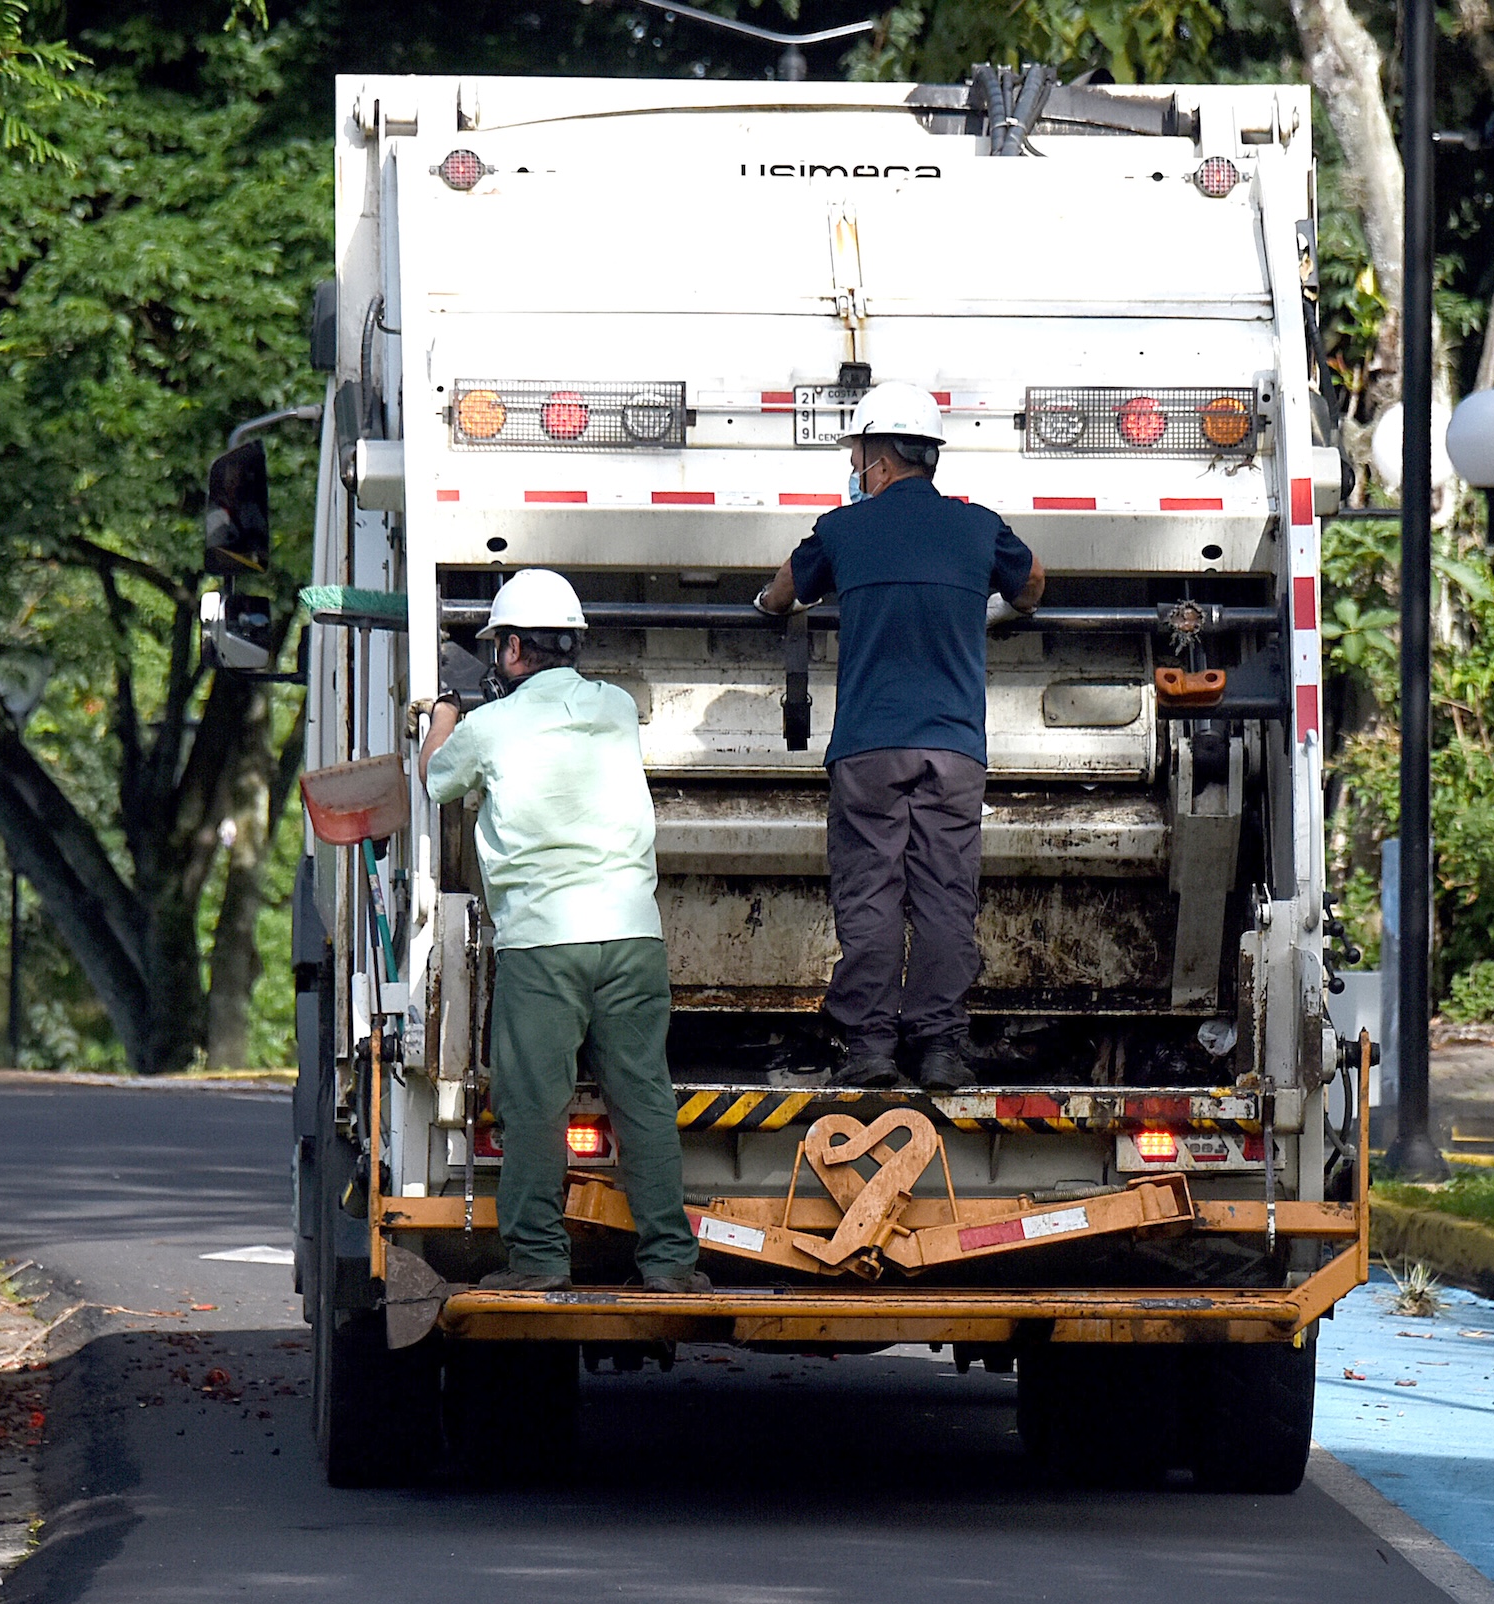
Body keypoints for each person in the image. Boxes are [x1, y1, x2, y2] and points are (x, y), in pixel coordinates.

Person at [418, 569, 708, 1294]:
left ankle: (540, 1261)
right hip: (633, 936)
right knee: (642, 1095)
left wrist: (445, 714)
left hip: (545, 944)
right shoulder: (616, 707)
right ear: (574, 643)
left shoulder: (487, 726)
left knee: (534, 1107)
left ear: (512, 647)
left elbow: (433, 780)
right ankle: (671, 1261)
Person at [753, 381, 1046, 1092]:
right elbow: (1033, 581)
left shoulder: (844, 529)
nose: (853, 463)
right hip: (952, 750)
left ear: (879, 456)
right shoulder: (978, 527)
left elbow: (784, 589)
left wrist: (766, 604)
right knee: (947, 893)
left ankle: (871, 1046)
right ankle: (941, 1046)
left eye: (856, 450)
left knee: (871, 893)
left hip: (868, 748)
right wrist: (997, 607)